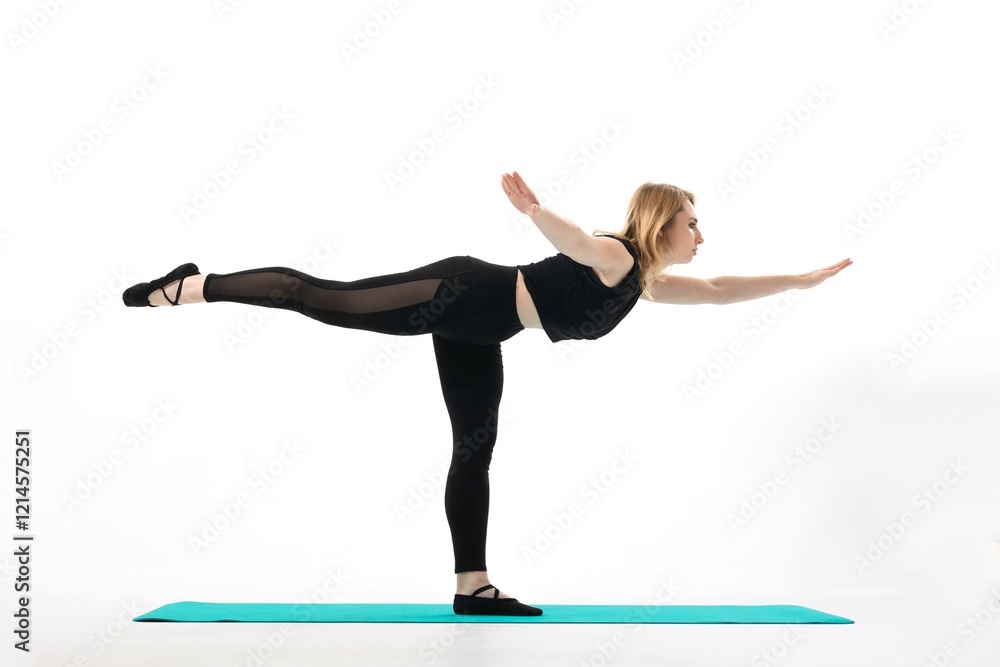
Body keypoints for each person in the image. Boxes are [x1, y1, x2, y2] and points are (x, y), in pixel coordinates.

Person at [122, 171, 852, 616]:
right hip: (461, 291)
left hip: (482, 330)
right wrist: (536, 212)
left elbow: (723, 290)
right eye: (694, 222)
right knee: (323, 297)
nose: (702, 234)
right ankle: (192, 287)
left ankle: (473, 585)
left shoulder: (644, 283)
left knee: (475, 447)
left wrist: (800, 279)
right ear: (663, 222)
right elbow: (578, 243)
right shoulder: (619, 254)